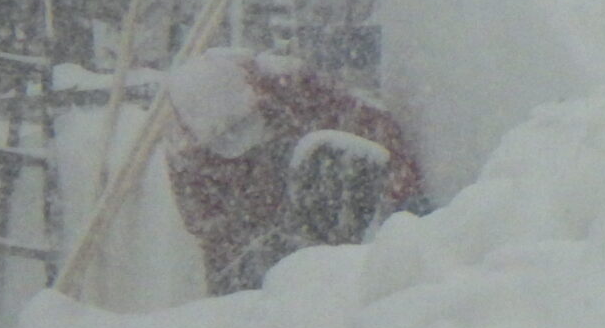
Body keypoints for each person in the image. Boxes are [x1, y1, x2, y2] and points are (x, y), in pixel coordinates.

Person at [160, 49, 425, 296]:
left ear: (257, 92)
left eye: (242, 124)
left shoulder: (294, 88)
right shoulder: (187, 153)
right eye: (223, 137)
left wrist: (400, 195)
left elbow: (374, 130)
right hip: (259, 225)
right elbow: (211, 233)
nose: (237, 141)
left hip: (327, 210)